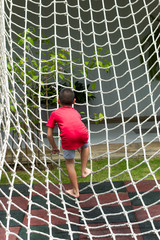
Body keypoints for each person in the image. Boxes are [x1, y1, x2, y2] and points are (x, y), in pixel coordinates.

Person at [46, 88, 91, 198]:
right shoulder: (76, 112)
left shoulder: (55, 113)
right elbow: (75, 128)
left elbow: (49, 135)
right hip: (83, 134)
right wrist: (78, 146)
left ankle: (75, 191)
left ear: (58, 101)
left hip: (68, 139)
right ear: (74, 101)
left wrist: (55, 147)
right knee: (86, 146)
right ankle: (84, 169)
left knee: (70, 163)